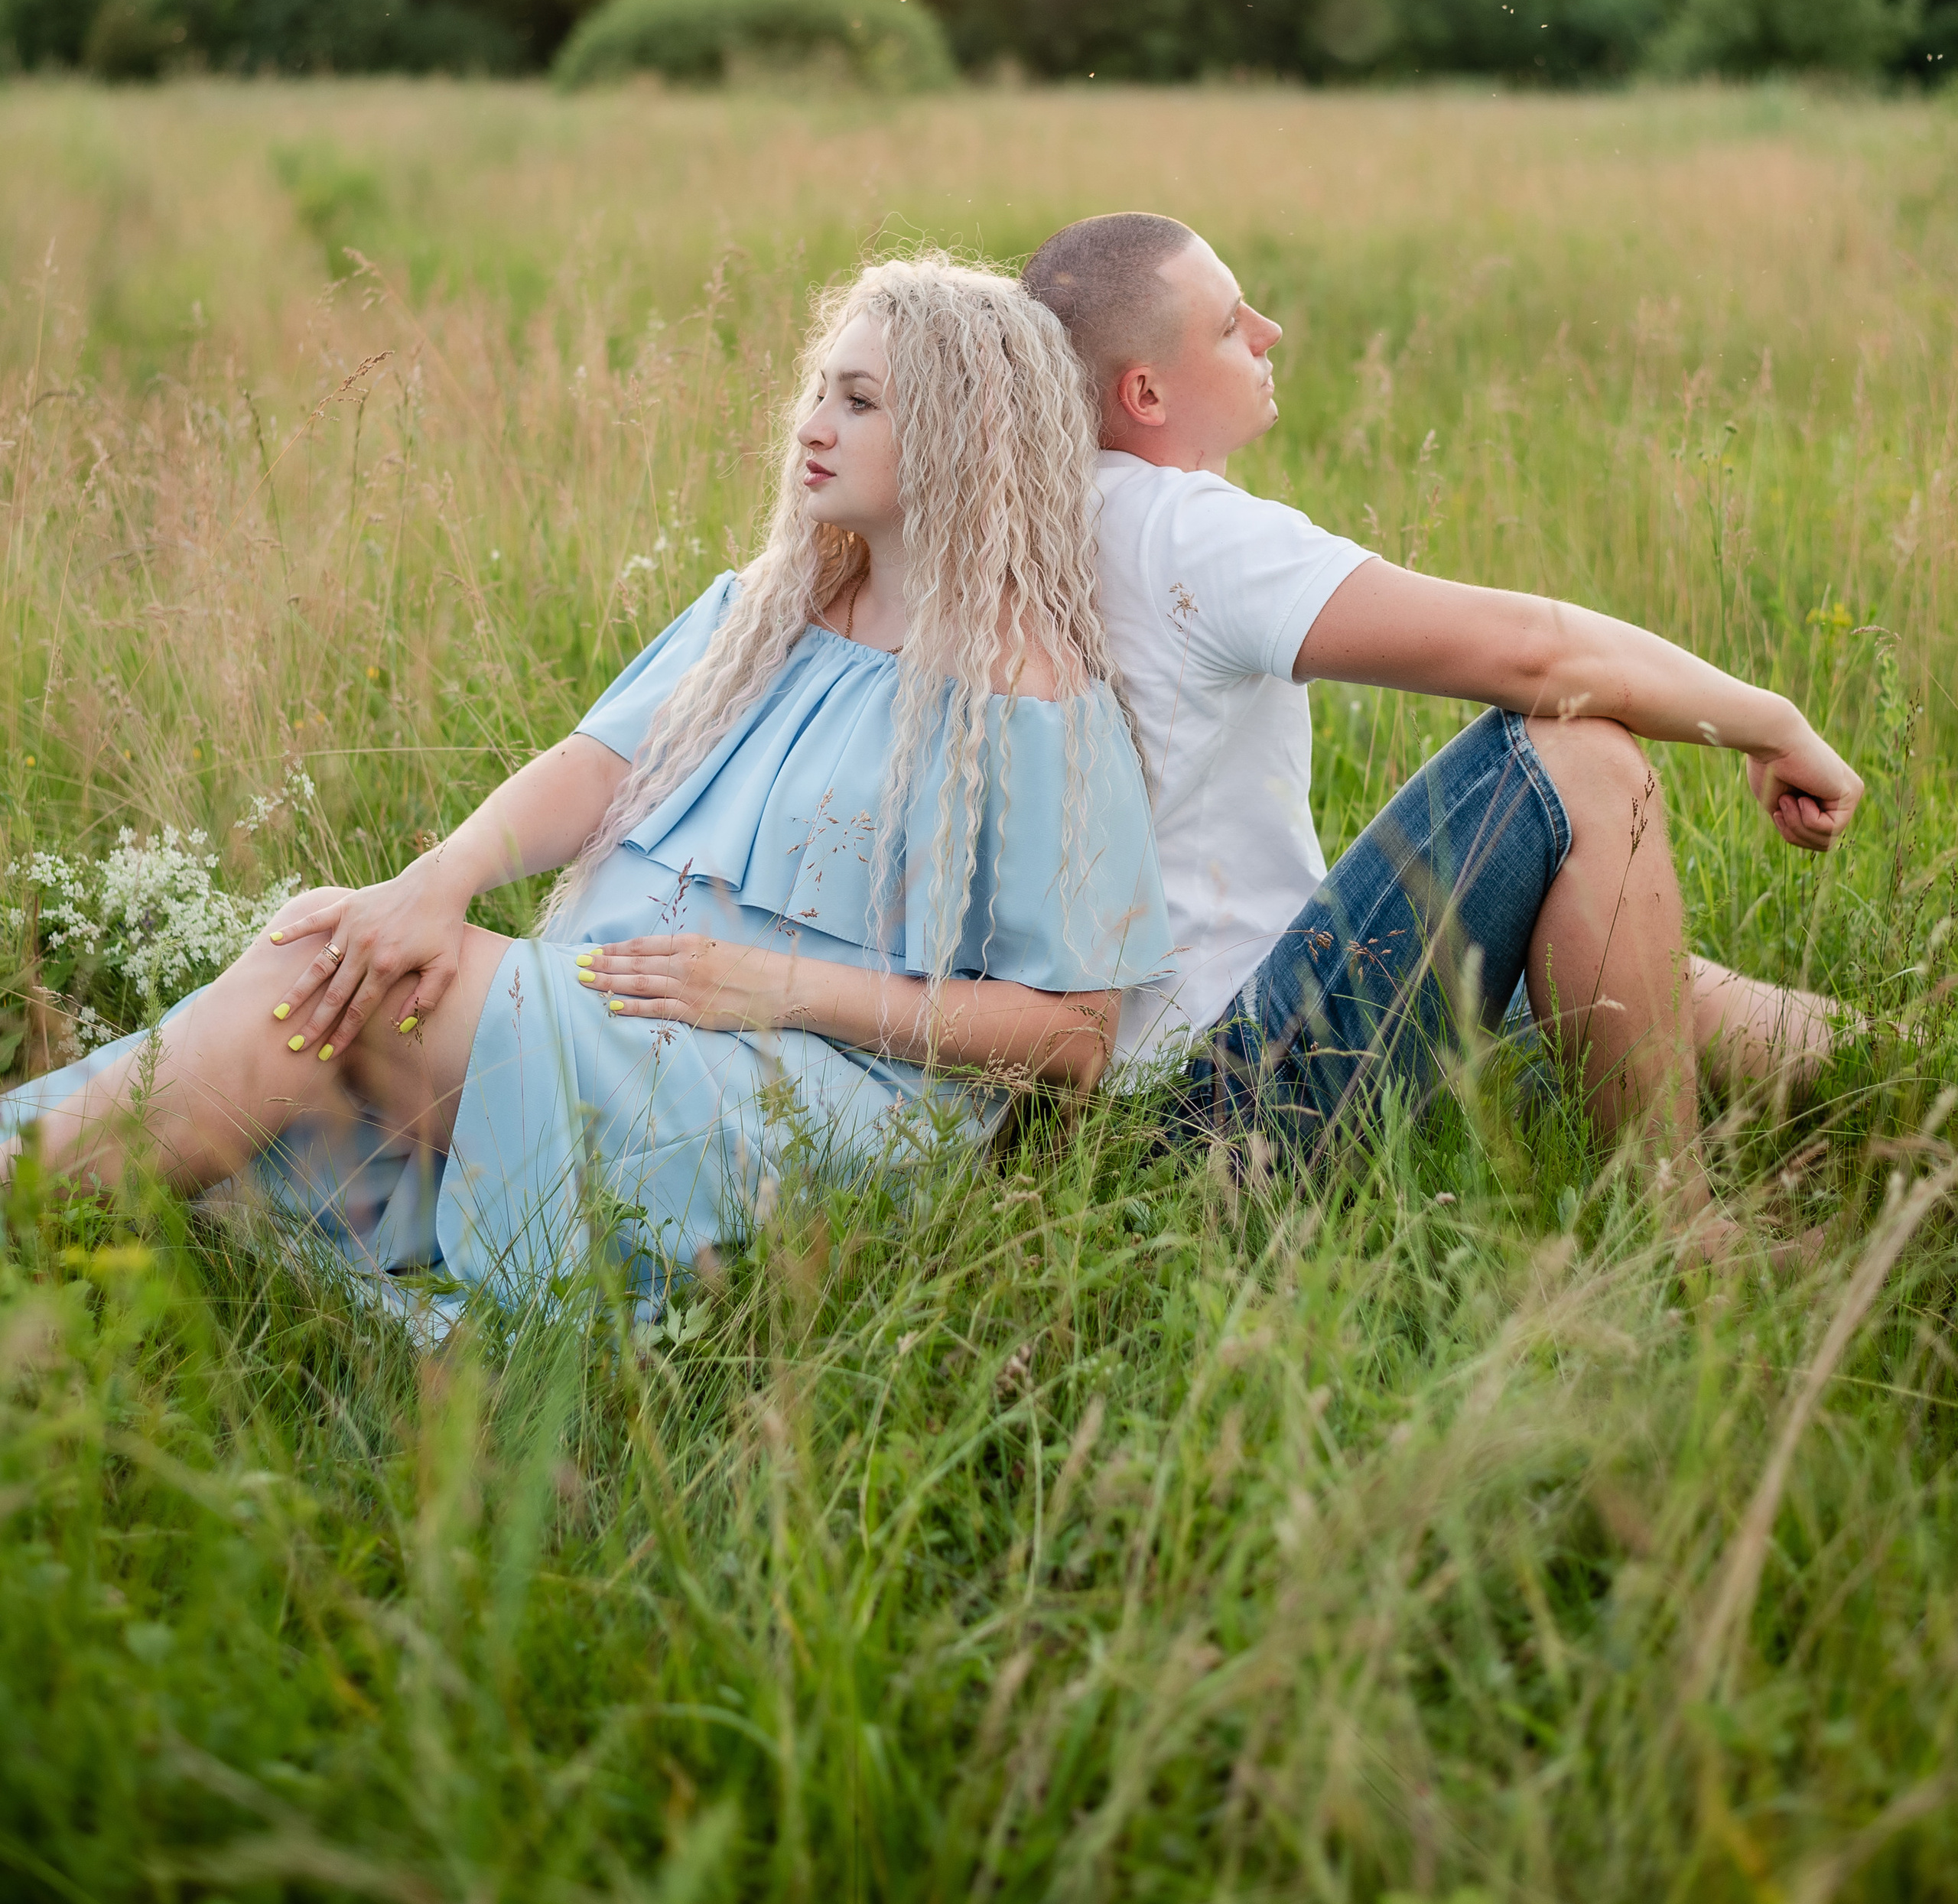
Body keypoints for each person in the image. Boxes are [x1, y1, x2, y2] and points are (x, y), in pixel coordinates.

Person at [5, 259, 1173, 1314]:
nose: (811, 424)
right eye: (819, 390)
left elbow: (1076, 1034)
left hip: (805, 1095)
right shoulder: (767, 609)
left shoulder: (1032, 697)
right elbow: (595, 764)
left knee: (330, 978)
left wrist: (777, 986)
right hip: (625, 1016)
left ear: (968, 433)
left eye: (859, 401)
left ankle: (30, 1196)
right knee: (336, 950)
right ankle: (30, 1197)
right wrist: (436, 880)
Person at [1021, 212, 1864, 1240]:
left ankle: (1904, 1067)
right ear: (1145, 394)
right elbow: (1538, 655)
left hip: (1115, 1108)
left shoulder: (1031, 524)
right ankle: (1688, 1240)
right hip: (1231, 1101)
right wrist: (1771, 722)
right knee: (1578, 758)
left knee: (1627, 971)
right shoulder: (1184, 532)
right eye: (1233, 325)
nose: (1270, 332)